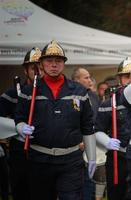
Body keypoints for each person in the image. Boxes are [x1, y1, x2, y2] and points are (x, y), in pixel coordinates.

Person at [14, 40, 98, 200]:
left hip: (71, 160)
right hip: (39, 159)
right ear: (41, 64)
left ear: (64, 64)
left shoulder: (79, 90)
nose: (54, 65)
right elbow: (18, 118)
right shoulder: (29, 91)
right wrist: (21, 127)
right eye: (49, 61)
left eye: (58, 61)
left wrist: (91, 157)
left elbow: (88, 127)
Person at [0, 47, 42, 200]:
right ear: (25, 70)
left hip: (46, 153)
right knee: (21, 192)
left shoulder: (55, 94)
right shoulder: (13, 94)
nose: (38, 71)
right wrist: (17, 126)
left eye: (41, 67)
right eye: (34, 68)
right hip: (20, 153)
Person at [95, 57, 131, 200]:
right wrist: (107, 141)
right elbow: (97, 130)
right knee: (116, 194)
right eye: (127, 76)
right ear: (120, 79)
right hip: (118, 157)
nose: (130, 80)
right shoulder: (109, 103)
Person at [71, 67, 101, 200]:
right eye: (86, 77)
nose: (90, 80)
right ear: (76, 80)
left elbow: (97, 121)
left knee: (89, 183)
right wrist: (79, 140)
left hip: (91, 145)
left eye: (90, 77)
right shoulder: (69, 95)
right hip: (74, 147)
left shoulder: (94, 96)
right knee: (73, 186)